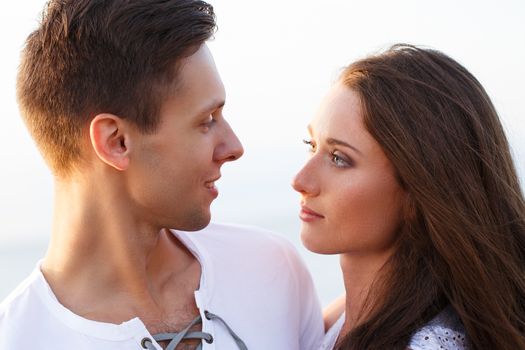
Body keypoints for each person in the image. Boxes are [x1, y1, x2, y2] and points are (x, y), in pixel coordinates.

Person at [0, 1, 324, 349]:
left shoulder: (271, 271)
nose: (233, 146)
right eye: (207, 121)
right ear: (117, 142)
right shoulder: (17, 339)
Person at [292, 44, 525, 350]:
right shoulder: (351, 315)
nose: (300, 181)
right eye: (312, 144)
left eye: (339, 158)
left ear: (418, 189)